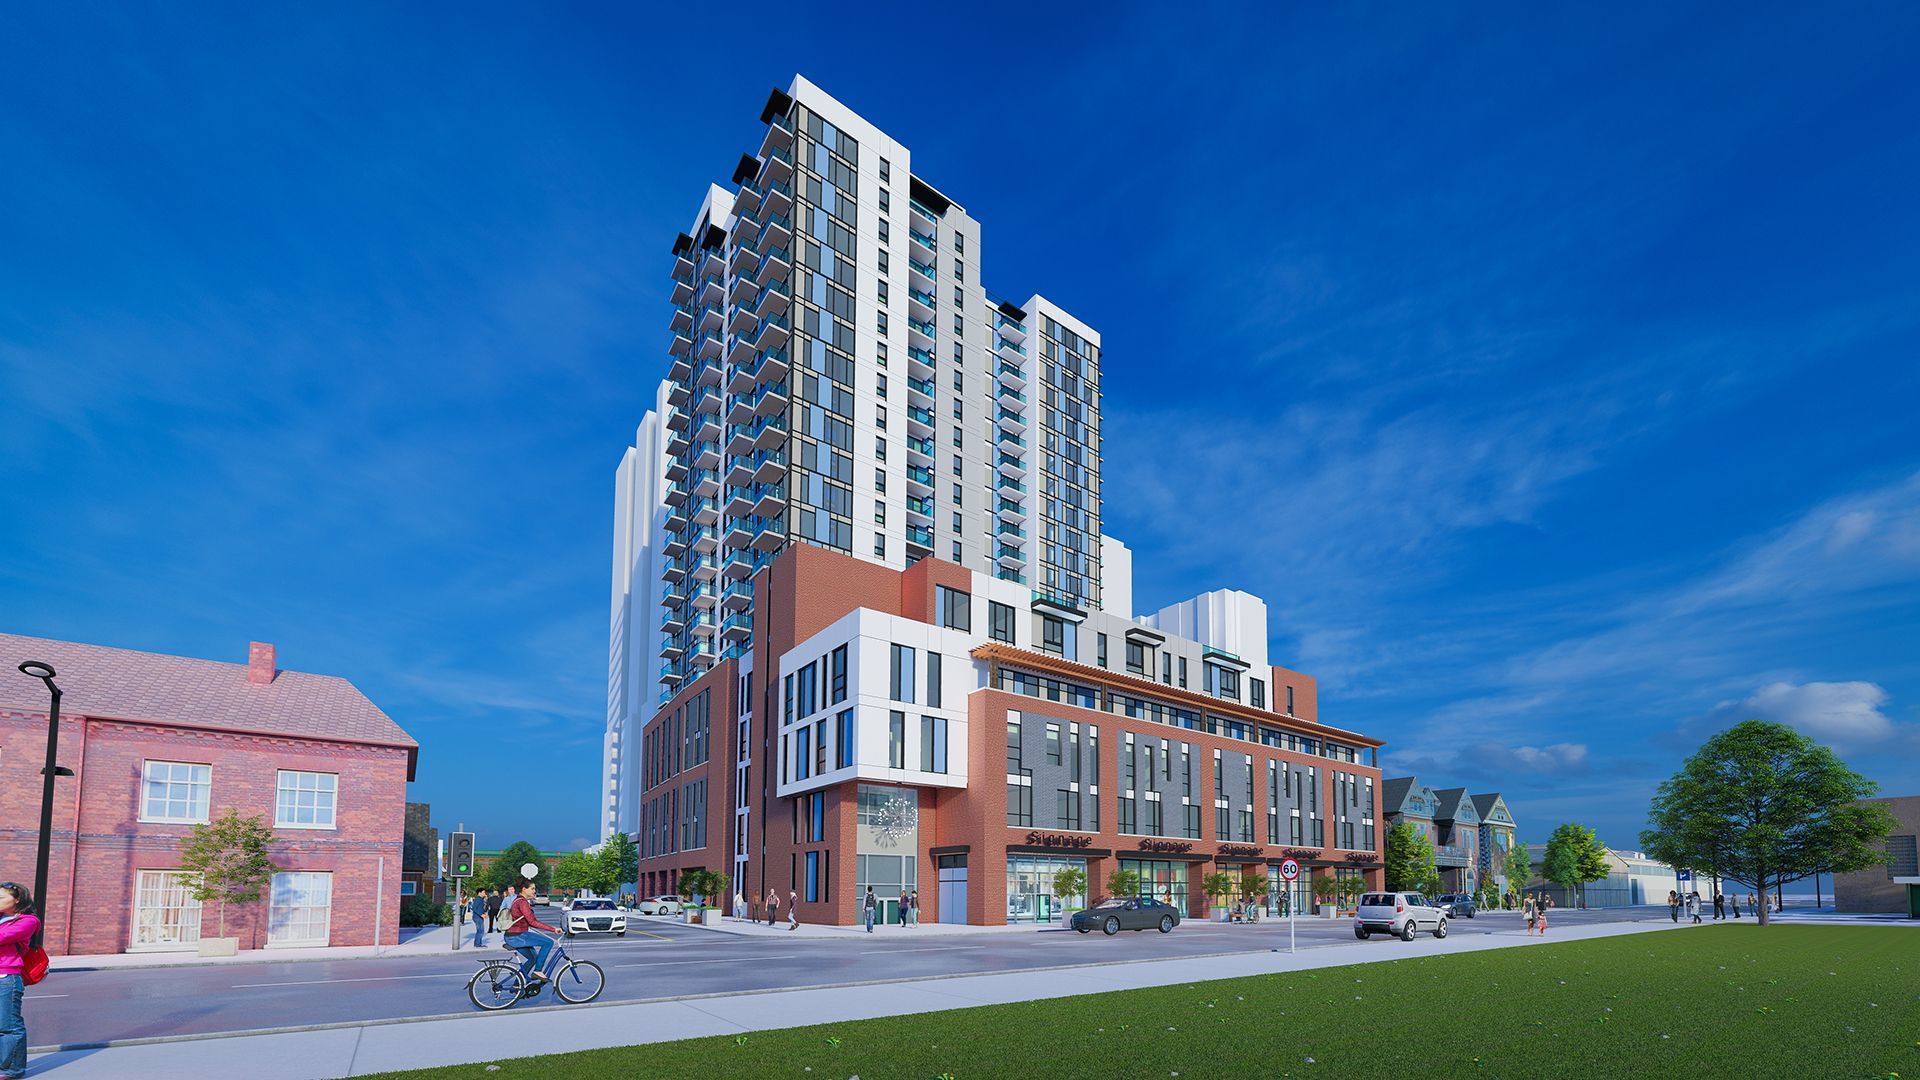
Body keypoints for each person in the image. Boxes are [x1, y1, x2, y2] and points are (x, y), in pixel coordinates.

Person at [0, 882, 42, 1080]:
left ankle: (12, 1069)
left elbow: (3, 936)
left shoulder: (28, 921)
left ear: (17, 899)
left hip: (6, 978)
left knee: (8, 1025)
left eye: (1, 897)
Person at [501, 880, 561, 991]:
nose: (534, 891)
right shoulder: (522, 902)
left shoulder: (518, 900)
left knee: (533, 958)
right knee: (548, 942)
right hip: (517, 936)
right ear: (524, 889)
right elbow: (532, 922)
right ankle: (538, 971)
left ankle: (516, 984)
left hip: (512, 936)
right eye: (532, 888)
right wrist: (553, 929)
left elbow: (526, 922)